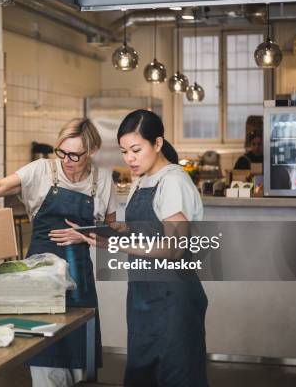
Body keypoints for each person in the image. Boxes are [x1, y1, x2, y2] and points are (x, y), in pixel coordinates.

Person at [0, 118, 117, 387]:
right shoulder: (41, 171)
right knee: (44, 356)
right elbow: (0, 186)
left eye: (75, 155)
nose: (66, 160)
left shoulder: (102, 180)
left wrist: (86, 235)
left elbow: (111, 232)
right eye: (62, 152)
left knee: (80, 358)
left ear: (92, 152)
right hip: (38, 281)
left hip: (80, 282)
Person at [83, 110, 208, 387]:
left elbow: (174, 248)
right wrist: (118, 230)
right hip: (143, 294)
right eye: (124, 151)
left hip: (173, 296)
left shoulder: (173, 181)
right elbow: (147, 227)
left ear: (158, 143)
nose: (129, 158)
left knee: (176, 374)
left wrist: (119, 243)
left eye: (136, 150)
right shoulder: (142, 180)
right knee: (143, 374)